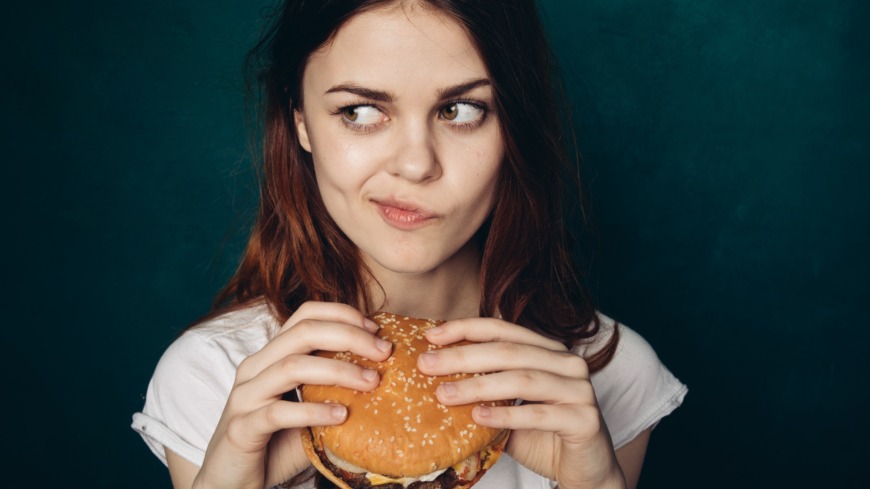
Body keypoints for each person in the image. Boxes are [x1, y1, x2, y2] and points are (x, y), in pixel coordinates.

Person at [131, 1, 688, 488]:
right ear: (300, 119)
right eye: (360, 112)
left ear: (513, 125)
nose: (416, 164)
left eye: (461, 110)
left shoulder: (607, 374)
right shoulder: (217, 376)